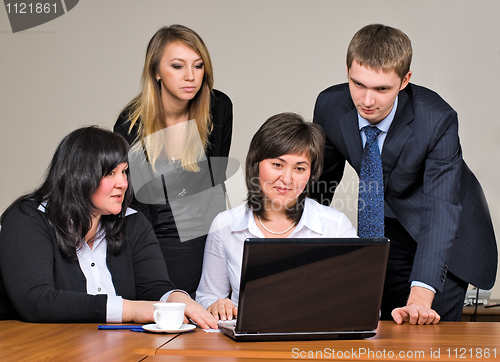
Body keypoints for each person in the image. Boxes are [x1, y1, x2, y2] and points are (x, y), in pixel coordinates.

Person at [310, 24, 497, 325]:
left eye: (381, 89)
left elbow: (440, 208)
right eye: (358, 84)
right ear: (347, 71)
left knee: (424, 336)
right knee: (373, 324)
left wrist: (421, 294)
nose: (367, 101)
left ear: (405, 80)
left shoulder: (436, 119)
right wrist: (290, 241)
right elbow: (320, 184)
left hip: (446, 231)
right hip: (387, 226)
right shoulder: (330, 105)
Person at [0, 126, 217, 328]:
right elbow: (36, 300)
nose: (122, 183)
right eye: (110, 173)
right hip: (43, 347)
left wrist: (178, 299)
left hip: (119, 347)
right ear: (79, 176)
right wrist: (131, 309)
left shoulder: (133, 221)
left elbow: (153, 288)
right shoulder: (27, 218)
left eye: (124, 172)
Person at [196, 113, 357, 321]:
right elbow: (206, 296)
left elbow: (360, 300)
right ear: (257, 164)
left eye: (300, 168)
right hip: (245, 344)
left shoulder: (335, 226)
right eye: (277, 165)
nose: (287, 179)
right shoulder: (225, 225)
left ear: (311, 174)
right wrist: (216, 304)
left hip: (313, 343)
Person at [114, 24, 233, 298]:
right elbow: (135, 206)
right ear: (156, 71)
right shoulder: (130, 124)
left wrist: (222, 248)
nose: (190, 76)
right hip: (154, 243)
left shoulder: (218, 108)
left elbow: (215, 184)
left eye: (198, 66)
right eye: (178, 66)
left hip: (206, 238)